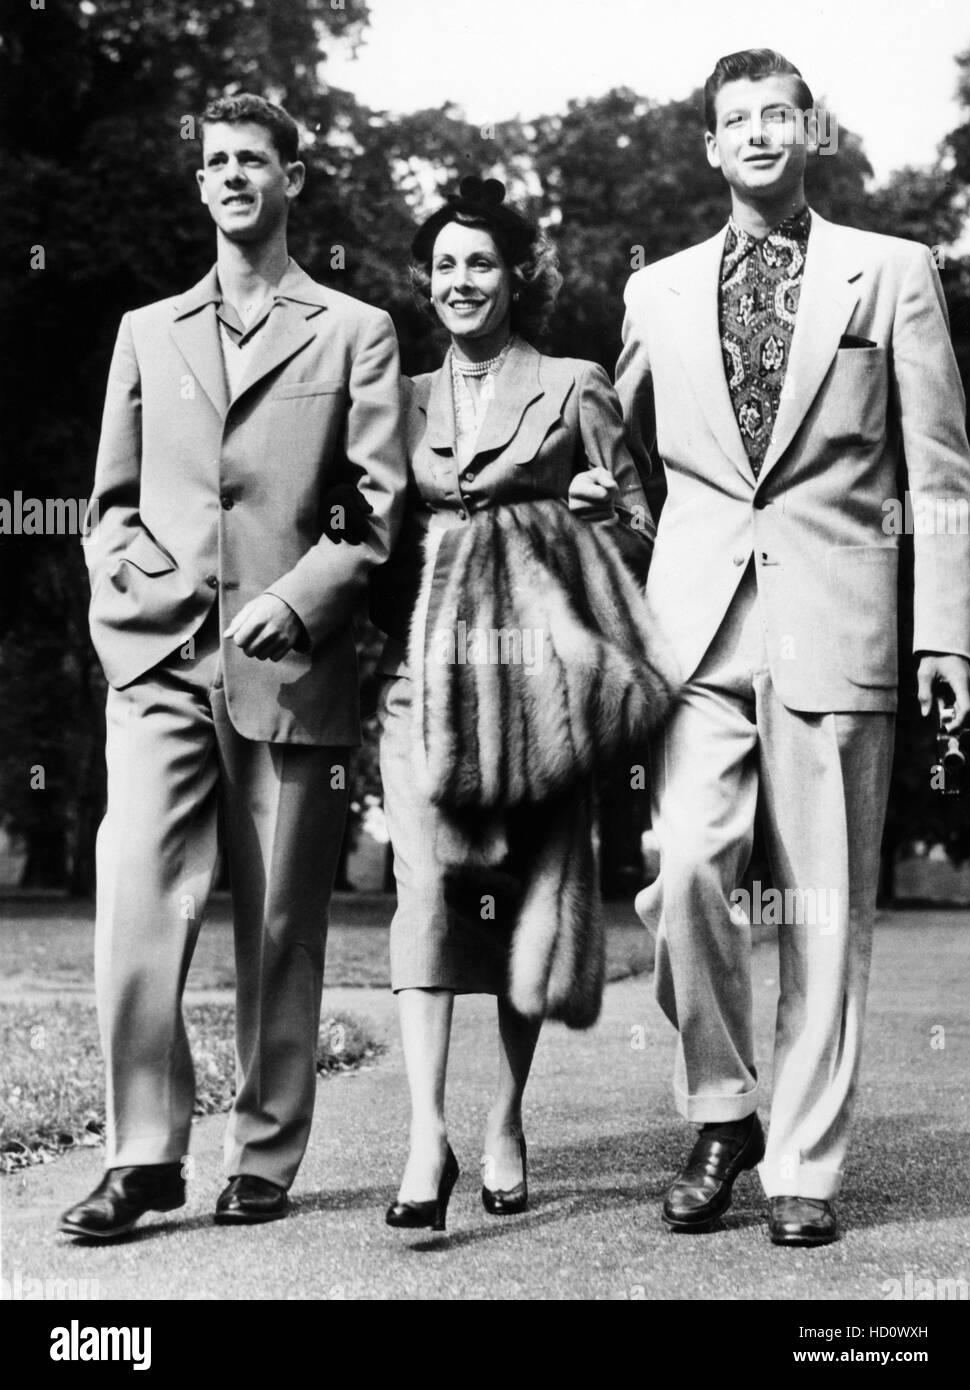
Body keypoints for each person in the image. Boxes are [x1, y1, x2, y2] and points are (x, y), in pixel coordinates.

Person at [617, 48, 970, 1246]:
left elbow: (941, 475)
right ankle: (723, 1108)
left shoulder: (894, 272)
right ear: (711, 149)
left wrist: (947, 636)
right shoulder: (655, 292)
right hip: (696, 630)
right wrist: (587, 496)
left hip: (841, 621)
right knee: (687, 879)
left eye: (779, 114)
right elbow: (614, 453)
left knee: (826, 909)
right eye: (736, 120)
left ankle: (804, 1162)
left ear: (808, 132)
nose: (760, 133)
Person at [61, 94, 405, 1239]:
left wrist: (297, 602)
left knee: (278, 924)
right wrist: (133, 589)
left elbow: (367, 513)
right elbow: (107, 505)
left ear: (293, 179)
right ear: (199, 182)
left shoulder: (355, 329)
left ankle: (263, 1150)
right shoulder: (144, 331)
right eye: (217, 161)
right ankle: (144, 1154)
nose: (235, 176)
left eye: (256, 160)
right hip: (158, 659)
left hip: (288, 665)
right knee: (135, 902)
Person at [371, 178, 656, 1231]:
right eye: (443, 264)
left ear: (515, 275)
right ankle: (422, 1136)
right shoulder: (394, 394)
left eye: (480, 262)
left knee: (532, 894)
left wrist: (598, 514)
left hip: (541, 687)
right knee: (426, 892)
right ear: (425, 280)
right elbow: (363, 531)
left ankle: (505, 1118)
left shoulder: (575, 383)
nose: (460, 280)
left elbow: (641, 532)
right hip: (426, 685)